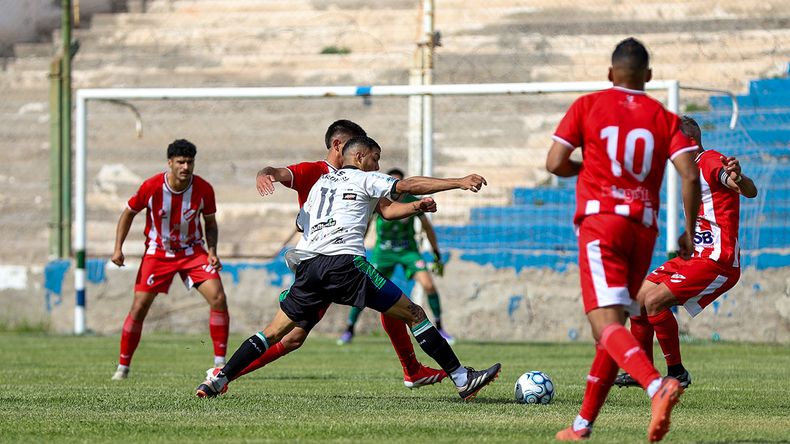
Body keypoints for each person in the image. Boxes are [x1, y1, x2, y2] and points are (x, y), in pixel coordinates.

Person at [195, 136, 501, 400]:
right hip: (345, 264)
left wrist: (415, 207)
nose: (378, 166)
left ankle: (217, 380)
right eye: (376, 159)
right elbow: (406, 185)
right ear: (360, 156)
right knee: (415, 314)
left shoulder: (320, 184)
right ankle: (461, 378)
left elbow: (302, 223)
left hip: (309, 266)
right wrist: (458, 182)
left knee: (273, 333)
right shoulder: (363, 177)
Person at [546, 37, 702, 442]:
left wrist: (588, 166)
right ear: (648, 77)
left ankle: (657, 385)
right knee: (613, 328)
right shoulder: (664, 117)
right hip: (643, 229)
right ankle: (582, 425)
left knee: (605, 323)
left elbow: (554, 163)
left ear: (610, 73)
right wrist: (689, 228)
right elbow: (688, 173)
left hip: (603, 224)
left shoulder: (588, 105)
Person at [236, 120, 446, 390]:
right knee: (291, 338)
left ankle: (412, 370)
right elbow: (277, 172)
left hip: (340, 259)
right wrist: (266, 174)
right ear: (339, 146)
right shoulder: (314, 171)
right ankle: (224, 373)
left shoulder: (362, 177)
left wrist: (417, 206)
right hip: (320, 261)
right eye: (351, 144)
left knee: (393, 304)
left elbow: (387, 209)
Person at [614, 116, 758, 389]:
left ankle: (676, 372)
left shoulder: (709, 160)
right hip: (696, 256)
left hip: (718, 260)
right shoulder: (689, 171)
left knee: (655, 301)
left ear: (689, 141)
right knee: (637, 299)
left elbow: (745, 189)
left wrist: (739, 177)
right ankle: (641, 370)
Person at [110, 139, 229, 380]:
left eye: (190, 162)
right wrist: (118, 248)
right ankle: (123, 367)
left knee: (218, 297)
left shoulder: (204, 189)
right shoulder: (152, 186)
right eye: (181, 162)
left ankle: (221, 364)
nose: (186, 167)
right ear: (170, 163)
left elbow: (211, 224)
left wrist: (213, 251)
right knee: (139, 307)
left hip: (193, 252)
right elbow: (128, 213)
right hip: (158, 253)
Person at [338, 167, 453, 345]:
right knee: (364, 289)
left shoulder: (412, 201)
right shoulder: (378, 201)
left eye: (398, 185)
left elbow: (427, 228)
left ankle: (440, 328)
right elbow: (365, 225)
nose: (395, 189)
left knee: (429, 285)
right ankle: (349, 329)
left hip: (408, 252)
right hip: (383, 253)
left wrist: (435, 252)